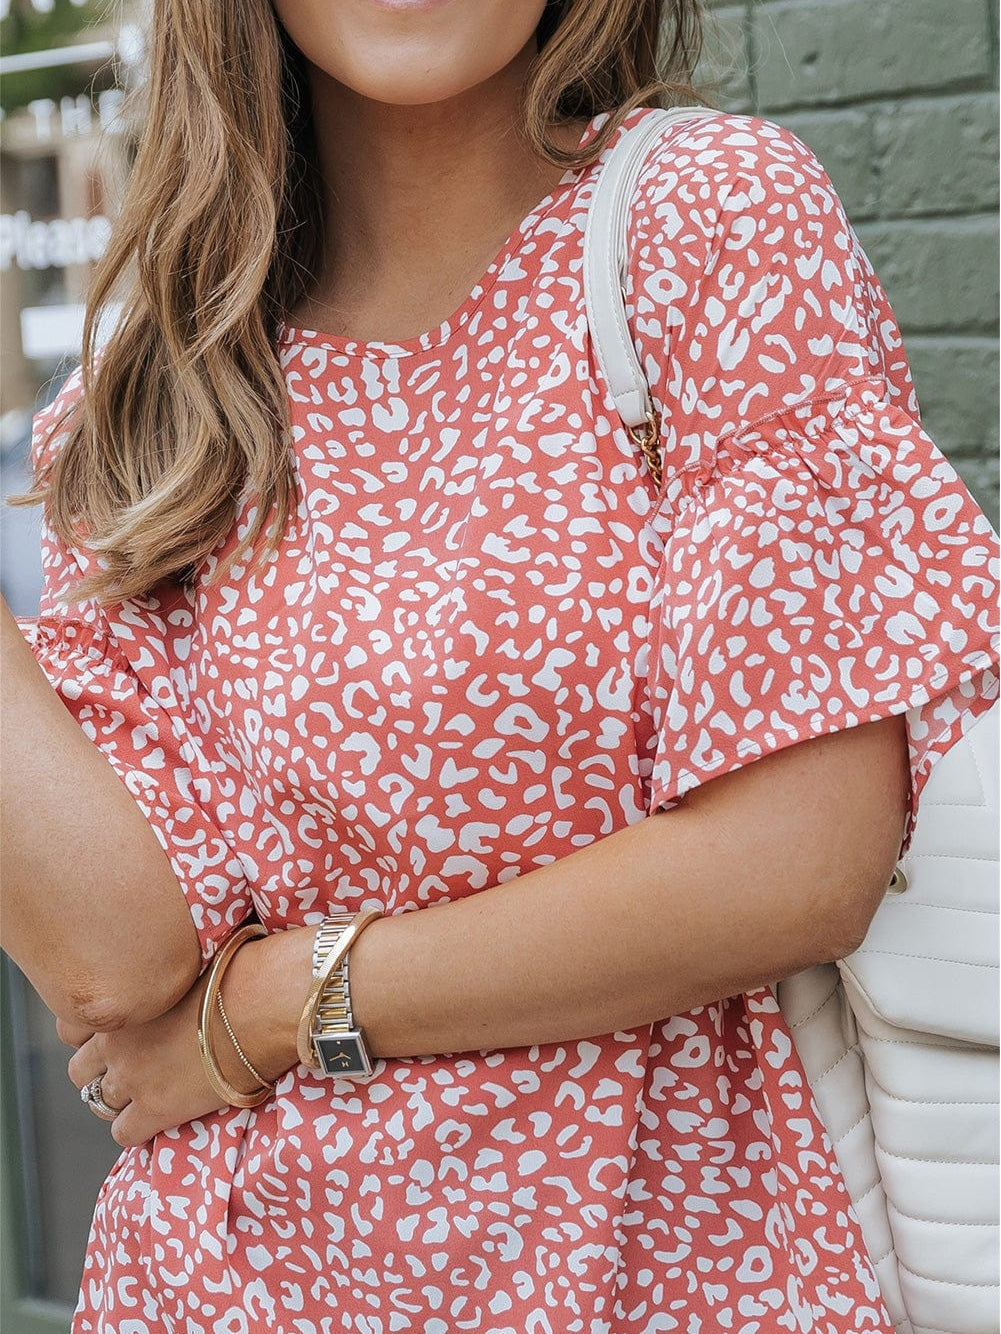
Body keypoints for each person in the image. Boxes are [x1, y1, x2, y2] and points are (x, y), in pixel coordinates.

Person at [2, 0, 998, 1329]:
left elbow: (794, 863)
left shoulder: (703, 220)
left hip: (647, 1270)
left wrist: (293, 998)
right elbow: (119, 968)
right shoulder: (160, 383)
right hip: (221, 1280)